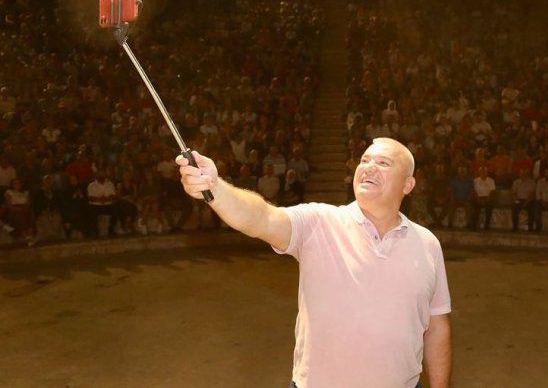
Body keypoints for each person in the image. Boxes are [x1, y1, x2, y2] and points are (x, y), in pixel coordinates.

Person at [177, 137, 451, 388]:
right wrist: (216, 187)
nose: (368, 167)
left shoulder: (427, 244)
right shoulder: (318, 222)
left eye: (383, 163)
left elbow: (437, 326)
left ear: (408, 184)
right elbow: (261, 218)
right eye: (364, 160)